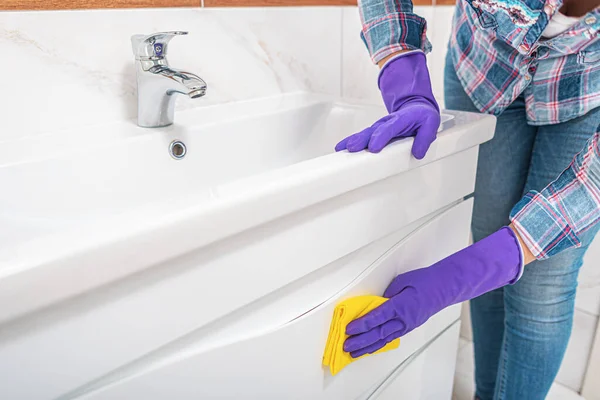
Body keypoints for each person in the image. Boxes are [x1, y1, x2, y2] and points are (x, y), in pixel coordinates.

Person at [337, 1, 600, 399]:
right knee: (486, 231)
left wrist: (459, 276)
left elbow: (589, 186)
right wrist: (404, 78)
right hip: (484, 65)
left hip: (587, 87)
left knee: (542, 284)